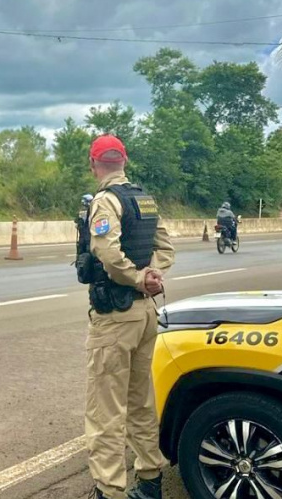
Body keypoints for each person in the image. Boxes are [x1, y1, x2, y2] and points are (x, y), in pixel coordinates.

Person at [84, 135, 175, 499]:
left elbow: (106, 250)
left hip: (116, 315)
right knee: (141, 401)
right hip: (146, 315)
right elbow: (166, 247)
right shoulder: (145, 199)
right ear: (124, 161)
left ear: (94, 166)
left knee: (105, 409)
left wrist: (137, 278)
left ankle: (110, 490)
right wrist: (152, 275)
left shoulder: (106, 201)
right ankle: (151, 481)